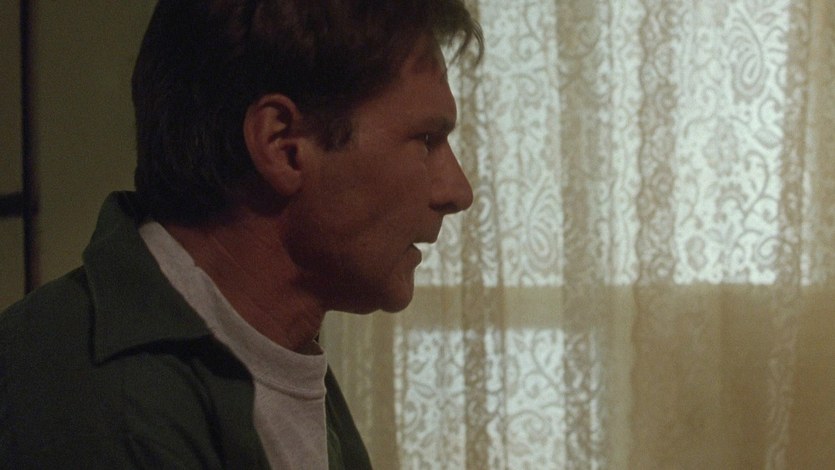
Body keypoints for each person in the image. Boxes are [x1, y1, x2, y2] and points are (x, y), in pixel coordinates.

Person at [0, 0, 482, 468]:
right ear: (282, 145)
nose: (458, 191)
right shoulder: (99, 399)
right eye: (426, 140)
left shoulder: (271, 354)